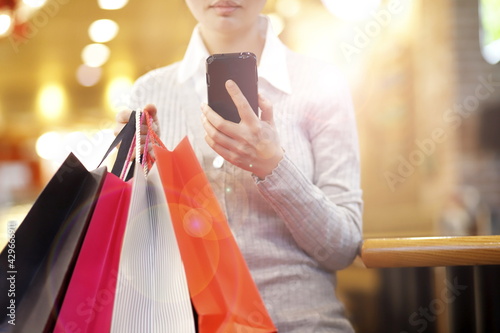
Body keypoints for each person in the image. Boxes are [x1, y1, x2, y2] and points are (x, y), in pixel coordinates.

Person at [115, 0, 363, 331]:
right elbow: (135, 258)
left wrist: (273, 165)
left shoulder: (320, 83)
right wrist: (139, 175)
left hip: (302, 322)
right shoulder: (149, 93)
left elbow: (342, 248)